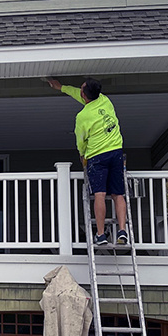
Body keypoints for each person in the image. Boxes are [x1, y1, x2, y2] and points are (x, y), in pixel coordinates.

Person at [45, 76, 128, 248]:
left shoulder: (83, 117)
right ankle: (122, 231)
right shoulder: (105, 100)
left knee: (99, 194)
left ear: (84, 95)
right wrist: (61, 88)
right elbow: (79, 94)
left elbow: (81, 140)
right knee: (118, 194)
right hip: (116, 152)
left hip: (97, 156)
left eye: (81, 88)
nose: (80, 90)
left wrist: (82, 155)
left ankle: (100, 235)